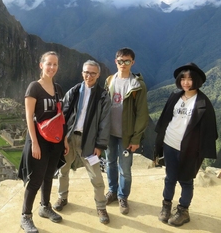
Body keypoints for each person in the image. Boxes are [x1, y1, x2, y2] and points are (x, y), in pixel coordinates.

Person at [154, 62, 218, 227]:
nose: (186, 82)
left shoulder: (203, 103)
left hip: (190, 148)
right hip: (170, 143)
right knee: (170, 178)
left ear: (196, 80)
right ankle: (166, 206)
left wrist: (200, 152)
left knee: (186, 180)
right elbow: (164, 120)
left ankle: (183, 211)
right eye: (183, 78)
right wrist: (159, 143)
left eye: (190, 79)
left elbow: (210, 131)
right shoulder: (175, 96)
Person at [53, 60, 111, 224]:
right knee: (63, 170)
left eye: (93, 73)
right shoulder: (74, 91)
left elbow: (105, 123)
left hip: (89, 141)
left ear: (98, 75)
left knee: (96, 176)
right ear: (82, 73)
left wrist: (100, 145)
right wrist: (62, 138)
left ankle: (101, 206)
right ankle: (62, 197)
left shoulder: (103, 96)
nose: (89, 76)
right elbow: (63, 115)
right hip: (69, 138)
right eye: (86, 72)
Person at [18, 51, 69, 233]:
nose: (52, 67)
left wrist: (64, 140)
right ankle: (26, 216)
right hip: (39, 140)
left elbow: (60, 116)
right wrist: (34, 143)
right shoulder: (34, 88)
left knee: (49, 175)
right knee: (36, 179)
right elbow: (29, 117)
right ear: (41, 65)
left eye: (55, 64)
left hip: (55, 141)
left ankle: (45, 206)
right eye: (49, 64)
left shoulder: (59, 89)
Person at [104, 47, 149, 215]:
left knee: (125, 168)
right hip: (109, 133)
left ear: (133, 63)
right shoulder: (109, 81)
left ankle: (123, 196)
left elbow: (142, 114)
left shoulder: (137, 86)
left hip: (127, 136)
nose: (123, 64)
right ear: (116, 62)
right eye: (120, 61)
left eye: (127, 61)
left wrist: (136, 138)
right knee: (109, 163)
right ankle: (112, 191)